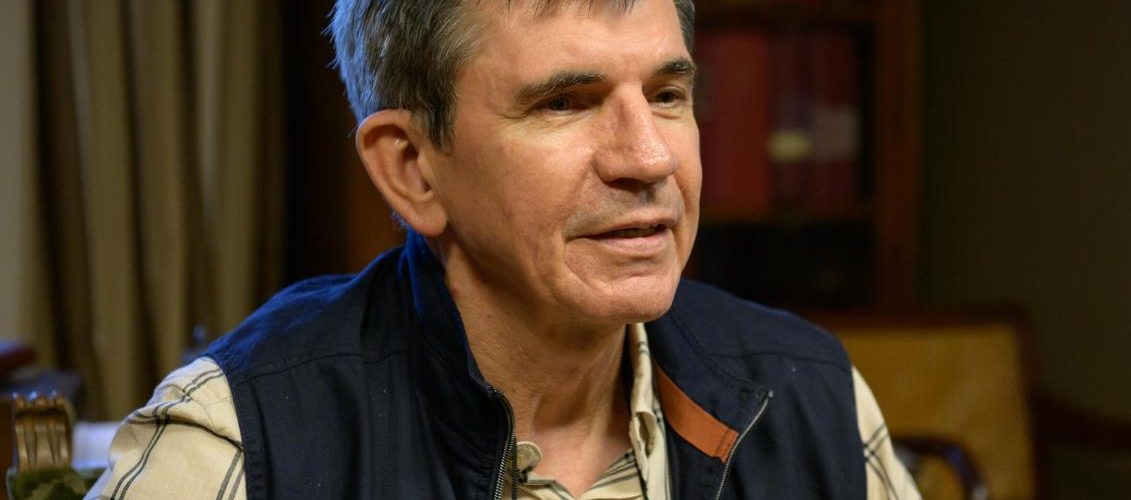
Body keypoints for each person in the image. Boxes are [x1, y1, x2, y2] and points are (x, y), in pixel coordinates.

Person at [87, 0, 919, 498]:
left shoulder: (810, 394)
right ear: (412, 169)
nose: (649, 158)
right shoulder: (240, 439)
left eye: (668, 94)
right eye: (565, 103)